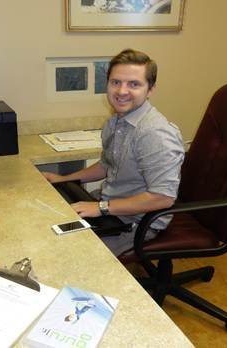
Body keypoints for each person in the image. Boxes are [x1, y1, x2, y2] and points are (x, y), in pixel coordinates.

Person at [42, 48, 184, 256]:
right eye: (116, 82)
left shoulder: (155, 134)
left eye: (134, 84)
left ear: (150, 89)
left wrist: (101, 208)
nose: (121, 91)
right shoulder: (116, 122)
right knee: (53, 227)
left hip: (138, 222)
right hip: (110, 206)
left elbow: (163, 198)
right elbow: (107, 165)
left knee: (68, 254)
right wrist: (63, 178)